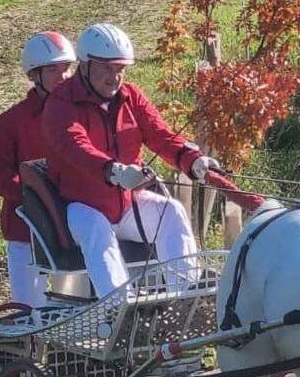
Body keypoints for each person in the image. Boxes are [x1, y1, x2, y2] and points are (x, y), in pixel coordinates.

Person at [41, 22, 222, 299]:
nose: (114, 78)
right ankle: (119, 306)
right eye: (107, 69)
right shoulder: (60, 104)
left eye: (120, 70)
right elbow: (75, 147)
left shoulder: (131, 96)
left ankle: (185, 298)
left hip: (125, 205)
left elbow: (161, 135)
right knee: (96, 228)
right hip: (80, 208)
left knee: (171, 211)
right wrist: (112, 171)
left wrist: (191, 159)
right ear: (86, 65)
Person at [0, 31, 76, 307]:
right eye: (53, 70)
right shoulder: (8, 124)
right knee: (27, 311)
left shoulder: (81, 116)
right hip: (26, 232)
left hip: (71, 232)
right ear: (35, 75)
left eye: (67, 69)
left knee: (71, 311)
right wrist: (36, 195)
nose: (64, 77)